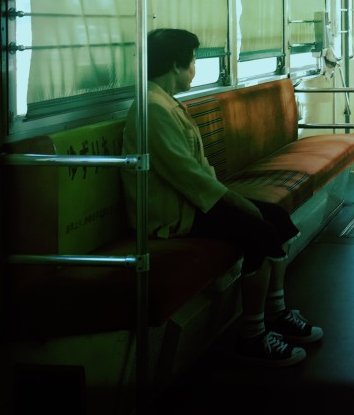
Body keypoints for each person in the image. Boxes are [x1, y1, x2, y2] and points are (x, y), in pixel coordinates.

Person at [121, 28, 322, 367]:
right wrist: (236, 201)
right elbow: (188, 175)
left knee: (276, 219)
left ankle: (276, 311)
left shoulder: (164, 102)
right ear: (175, 65)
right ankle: (253, 335)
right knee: (259, 233)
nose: (195, 67)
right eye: (193, 61)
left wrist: (233, 201)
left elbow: (193, 173)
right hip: (173, 216)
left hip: (192, 203)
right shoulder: (152, 110)